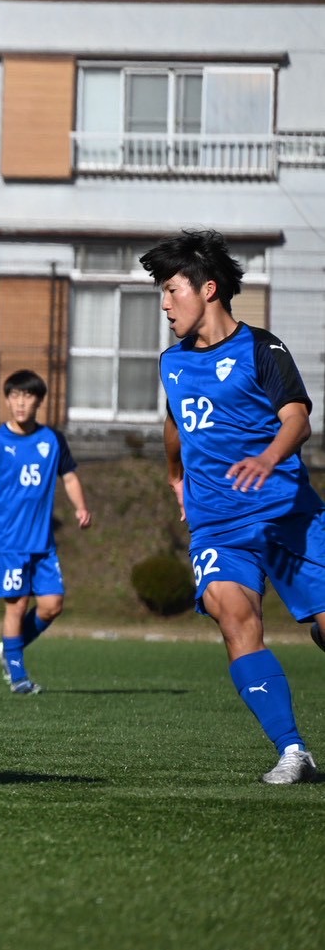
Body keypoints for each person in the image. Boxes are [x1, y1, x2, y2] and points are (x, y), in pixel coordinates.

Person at [143, 229, 321, 784]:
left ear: (208, 289)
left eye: (172, 290)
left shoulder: (262, 349)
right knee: (233, 616)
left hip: (286, 514)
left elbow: (298, 419)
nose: (165, 303)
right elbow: (174, 422)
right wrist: (174, 475)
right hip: (217, 525)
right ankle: (293, 751)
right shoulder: (171, 363)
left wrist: (268, 457)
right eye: (162, 292)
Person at [0, 370, 92, 694]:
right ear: (7, 400)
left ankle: (8, 648)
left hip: (43, 543)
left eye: (27, 396)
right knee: (16, 606)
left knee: (52, 605)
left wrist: (81, 507)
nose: (20, 403)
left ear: (38, 401)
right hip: (9, 543)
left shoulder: (53, 440)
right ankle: (18, 678)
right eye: (14, 396)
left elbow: (70, 476)